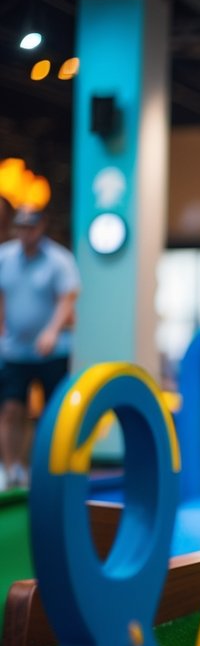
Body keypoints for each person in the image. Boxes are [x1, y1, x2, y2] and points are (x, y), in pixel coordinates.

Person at [0, 207, 81, 489]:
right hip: (15, 351)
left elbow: (67, 299)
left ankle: (45, 470)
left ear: (41, 227)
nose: (25, 233)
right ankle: (11, 471)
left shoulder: (59, 260)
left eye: (30, 228)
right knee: (11, 410)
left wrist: (51, 332)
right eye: (20, 227)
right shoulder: (5, 257)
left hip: (52, 351)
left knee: (51, 413)